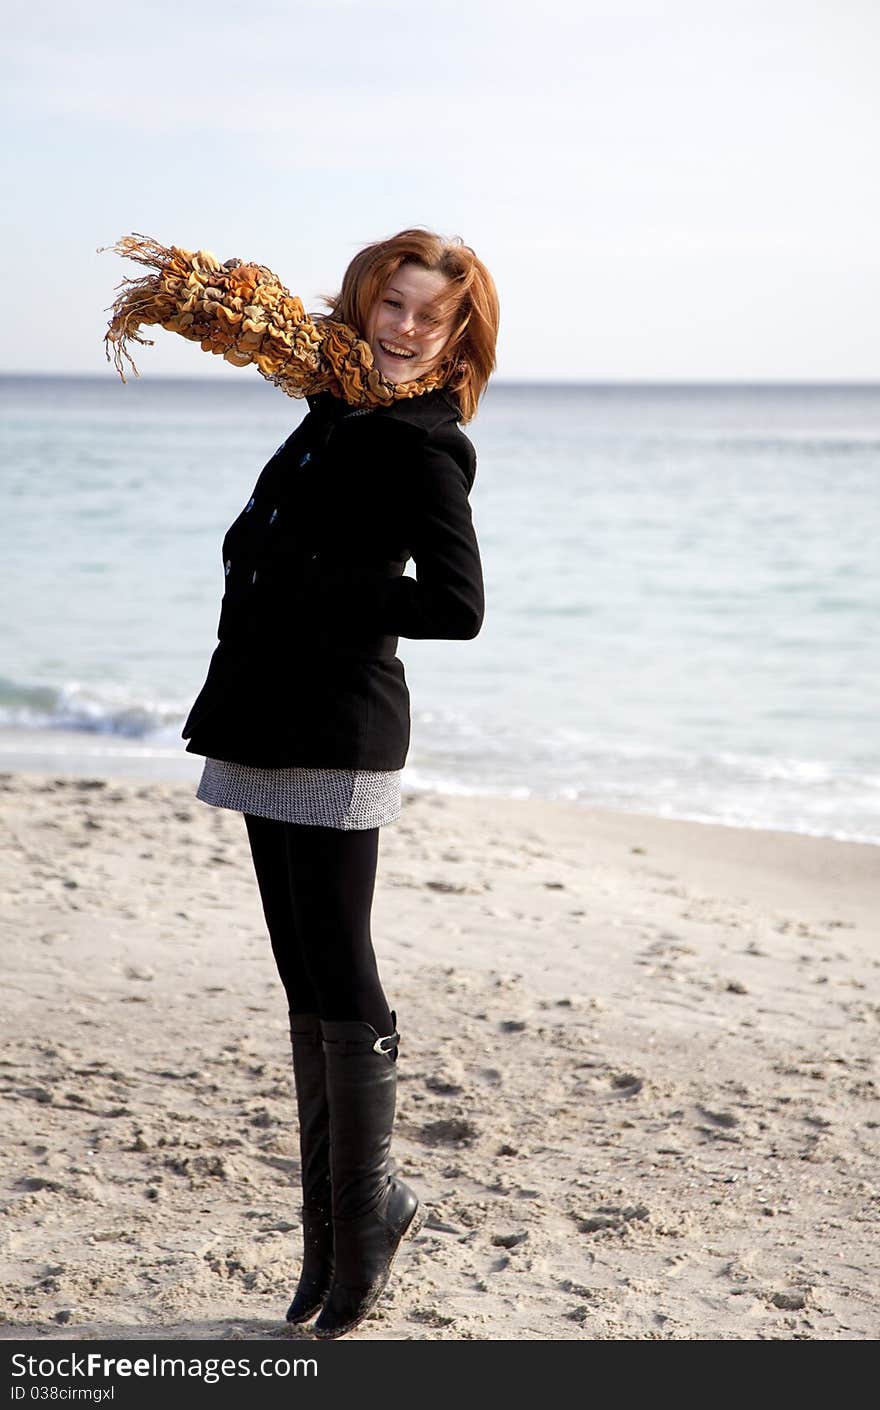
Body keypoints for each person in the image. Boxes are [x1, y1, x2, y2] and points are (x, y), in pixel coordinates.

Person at [175, 229, 500, 1338]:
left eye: (429, 316)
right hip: (264, 711)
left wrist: (322, 585)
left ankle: (368, 1213)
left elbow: (456, 608)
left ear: (456, 335)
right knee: (303, 979)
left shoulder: (422, 444)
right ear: (364, 305)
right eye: (392, 306)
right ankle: (330, 1240)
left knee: (343, 967)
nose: (405, 329)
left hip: (339, 726)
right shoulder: (332, 412)